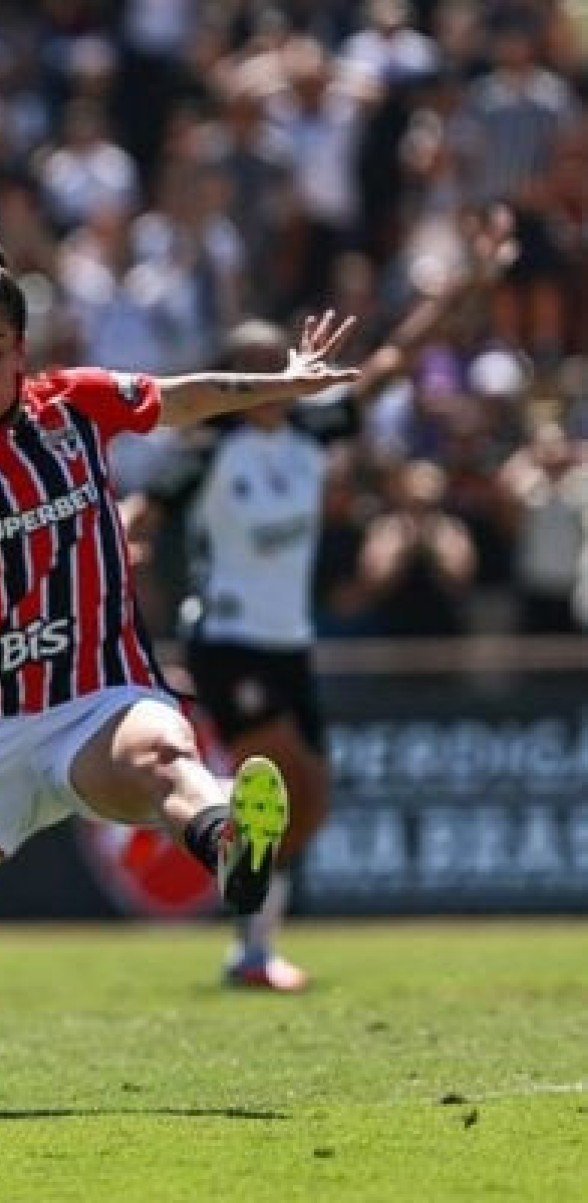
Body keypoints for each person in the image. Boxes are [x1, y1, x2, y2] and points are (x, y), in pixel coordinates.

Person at [0, 237, 359, 1111]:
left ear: (21, 351)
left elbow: (182, 399)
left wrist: (283, 381)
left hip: (101, 702)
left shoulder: (76, 405)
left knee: (164, 757)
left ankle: (227, 833)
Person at [125, 210, 516, 990]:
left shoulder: (311, 435)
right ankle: (249, 934)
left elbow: (396, 360)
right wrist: (127, 543)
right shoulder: (206, 452)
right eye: (257, 365)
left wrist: (467, 284)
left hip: (289, 640)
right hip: (229, 637)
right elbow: (146, 510)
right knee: (284, 773)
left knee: (310, 808)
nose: (274, 377)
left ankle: (247, 920)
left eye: (279, 363)